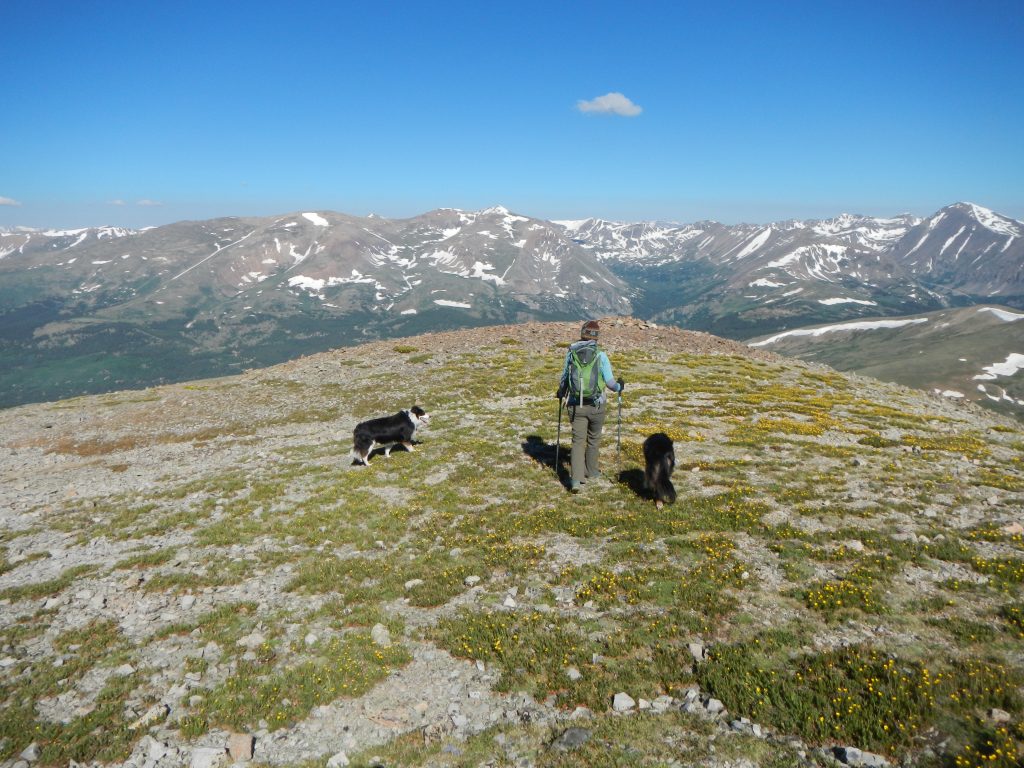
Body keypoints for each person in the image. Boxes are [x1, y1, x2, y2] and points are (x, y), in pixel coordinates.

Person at [557, 320, 624, 493]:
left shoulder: (571, 354)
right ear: (596, 336)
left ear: (582, 333)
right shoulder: (600, 355)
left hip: (575, 405)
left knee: (577, 441)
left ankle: (576, 481)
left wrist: (561, 393)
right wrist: (619, 387)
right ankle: (592, 471)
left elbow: (564, 379)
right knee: (594, 438)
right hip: (597, 405)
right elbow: (610, 383)